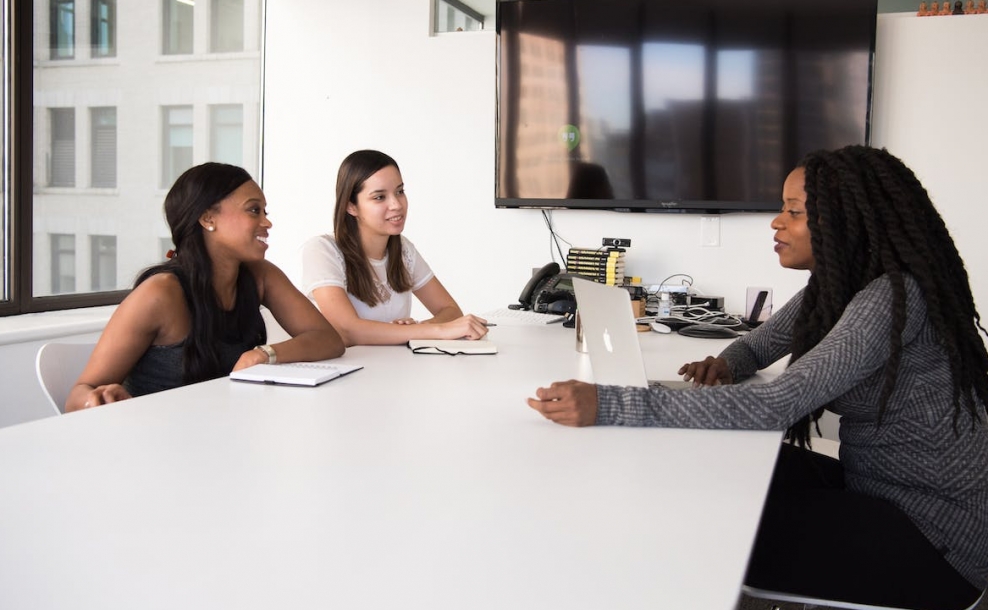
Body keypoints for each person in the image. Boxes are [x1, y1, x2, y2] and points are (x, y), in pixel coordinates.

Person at [527, 146, 988, 608]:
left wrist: (609, 403)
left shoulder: (889, 297)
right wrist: (727, 363)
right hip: (876, 487)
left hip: (935, 539)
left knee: (701, 523)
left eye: (794, 211)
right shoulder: (834, 290)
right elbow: (758, 344)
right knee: (716, 468)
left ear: (847, 220)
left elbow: (776, 405)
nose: (776, 222)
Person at [66, 163, 345, 412]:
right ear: (208, 218)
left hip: (223, 433)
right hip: (158, 444)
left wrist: (264, 354)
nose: (267, 221)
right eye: (253, 210)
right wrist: (97, 399)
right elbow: (77, 397)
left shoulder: (260, 275)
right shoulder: (160, 294)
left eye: (264, 211)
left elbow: (328, 339)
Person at [301, 149, 488, 346]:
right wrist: (427, 331)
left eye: (399, 192)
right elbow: (348, 331)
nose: (397, 205)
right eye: (380, 197)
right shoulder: (322, 250)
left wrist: (413, 330)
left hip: (395, 369)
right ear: (351, 206)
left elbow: (450, 310)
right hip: (348, 372)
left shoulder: (403, 249)